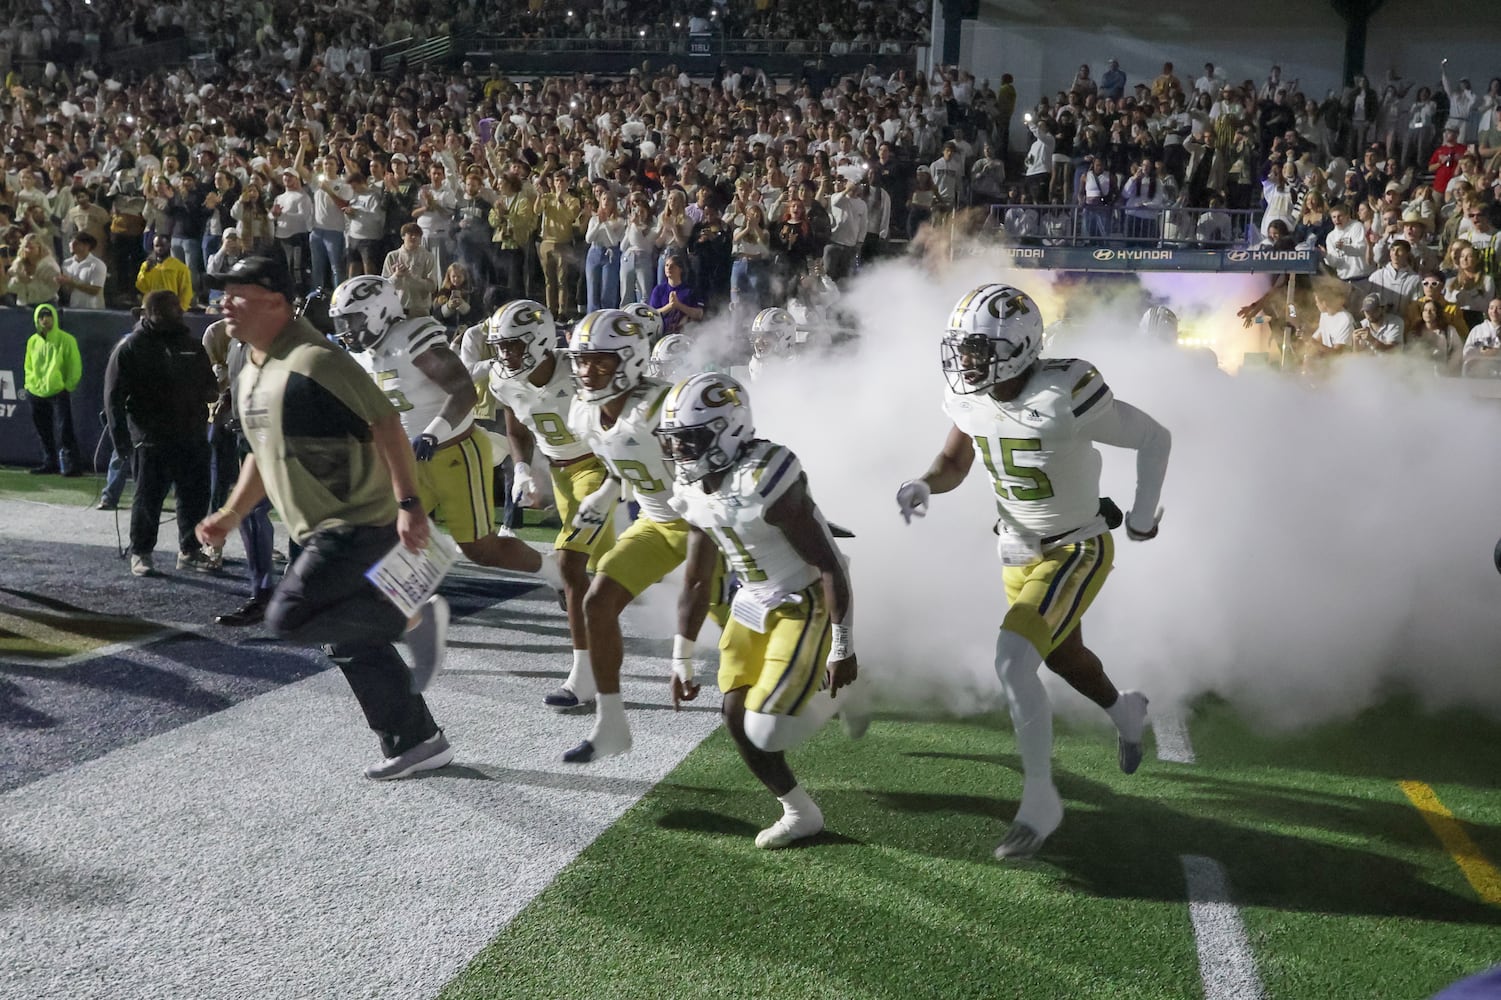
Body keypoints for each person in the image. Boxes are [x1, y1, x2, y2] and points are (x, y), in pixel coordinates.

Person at [895, 283, 1169, 859]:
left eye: (976, 349)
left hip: (1076, 548)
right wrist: (923, 482)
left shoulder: (1066, 388)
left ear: (1018, 346)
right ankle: (1126, 711)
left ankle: (1041, 801)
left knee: (1012, 661)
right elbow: (954, 460)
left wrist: (1141, 518)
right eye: (961, 349)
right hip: (1016, 553)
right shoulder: (971, 397)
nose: (965, 361)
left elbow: (1152, 437)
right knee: (1064, 657)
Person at [194, 254, 454, 780]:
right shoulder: (247, 363)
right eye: (223, 292)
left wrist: (409, 505)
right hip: (313, 527)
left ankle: (415, 619)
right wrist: (229, 514)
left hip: (358, 520)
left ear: (276, 301)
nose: (226, 303)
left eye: (238, 293)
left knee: (288, 618)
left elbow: (388, 426)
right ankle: (416, 739)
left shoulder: (318, 360)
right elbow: (260, 454)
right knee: (350, 640)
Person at [657, 371, 865, 848]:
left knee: (766, 729)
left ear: (727, 430)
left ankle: (843, 694)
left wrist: (843, 646)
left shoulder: (765, 478)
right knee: (733, 712)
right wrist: (681, 658)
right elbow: (694, 577)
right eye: (676, 441)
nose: (681, 452)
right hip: (751, 600)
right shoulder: (693, 488)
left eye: (691, 439)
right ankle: (799, 811)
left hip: (802, 597)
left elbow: (830, 565)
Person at [560, 308, 725, 763]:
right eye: (582, 360)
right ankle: (611, 724)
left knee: (742, 628)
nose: (587, 371)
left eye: (601, 361)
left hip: (705, 527)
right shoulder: (584, 412)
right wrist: (607, 494)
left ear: (629, 360)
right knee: (598, 601)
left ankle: (824, 674)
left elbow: (716, 467)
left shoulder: (663, 407)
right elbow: (622, 461)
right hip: (655, 521)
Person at [327, 275, 562, 591]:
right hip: (407, 459)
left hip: (454, 452)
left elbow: (464, 390)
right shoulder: (362, 355)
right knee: (384, 531)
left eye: (352, 318)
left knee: (481, 549)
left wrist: (432, 433)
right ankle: (407, 604)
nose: (347, 328)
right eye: (343, 321)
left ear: (379, 310)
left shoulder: (410, 338)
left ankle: (555, 573)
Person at [485, 299, 618, 711]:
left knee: (572, 566)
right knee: (592, 572)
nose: (505, 355)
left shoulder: (580, 370)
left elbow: (618, 426)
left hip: (596, 467)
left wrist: (615, 482)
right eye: (501, 347)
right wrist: (522, 466)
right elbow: (516, 420)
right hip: (561, 474)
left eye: (513, 346)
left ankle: (585, 679)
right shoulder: (502, 379)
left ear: (540, 340)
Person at [104, 290, 220, 577]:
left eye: (176, 307)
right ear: (149, 312)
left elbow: (211, 388)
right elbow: (113, 398)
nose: (176, 312)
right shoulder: (131, 346)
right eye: (169, 308)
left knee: (195, 495)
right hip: (150, 436)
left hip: (192, 433)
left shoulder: (192, 345)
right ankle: (141, 552)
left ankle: (190, 551)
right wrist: (121, 441)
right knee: (148, 498)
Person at [22, 303, 82, 476]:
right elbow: (28, 366)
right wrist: (30, 385)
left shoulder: (66, 340)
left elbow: (74, 366)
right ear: (37, 319)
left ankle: (73, 466)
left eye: (48, 316)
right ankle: (50, 463)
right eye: (41, 316)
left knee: (65, 430)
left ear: (54, 318)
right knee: (43, 430)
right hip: (35, 392)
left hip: (58, 391)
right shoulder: (33, 341)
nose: (45, 320)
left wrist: (67, 386)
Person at [648, 251, 706, 338]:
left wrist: (679, 305)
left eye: (673, 266)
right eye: (667, 265)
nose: (669, 268)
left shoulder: (690, 290)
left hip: (684, 334)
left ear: (680, 269)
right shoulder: (658, 290)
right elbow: (651, 314)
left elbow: (699, 314)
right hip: (662, 334)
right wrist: (670, 306)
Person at [137, 233, 194, 311]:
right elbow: (141, 287)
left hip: (170, 307)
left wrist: (182, 308)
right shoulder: (147, 265)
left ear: (169, 246)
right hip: (152, 306)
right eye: (157, 246)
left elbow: (186, 290)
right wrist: (145, 272)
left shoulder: (179, 267)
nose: (160, 249)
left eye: (162, 245)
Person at [59, 233, 107, 310]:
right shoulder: (67, 263)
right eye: (70, 242)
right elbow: (68, 289)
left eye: (76, 243)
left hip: (94, 308)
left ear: (86, 246)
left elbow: (95, 290)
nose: (71, 244)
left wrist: (72, 283)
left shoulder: (97, 264)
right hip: (74, 306)